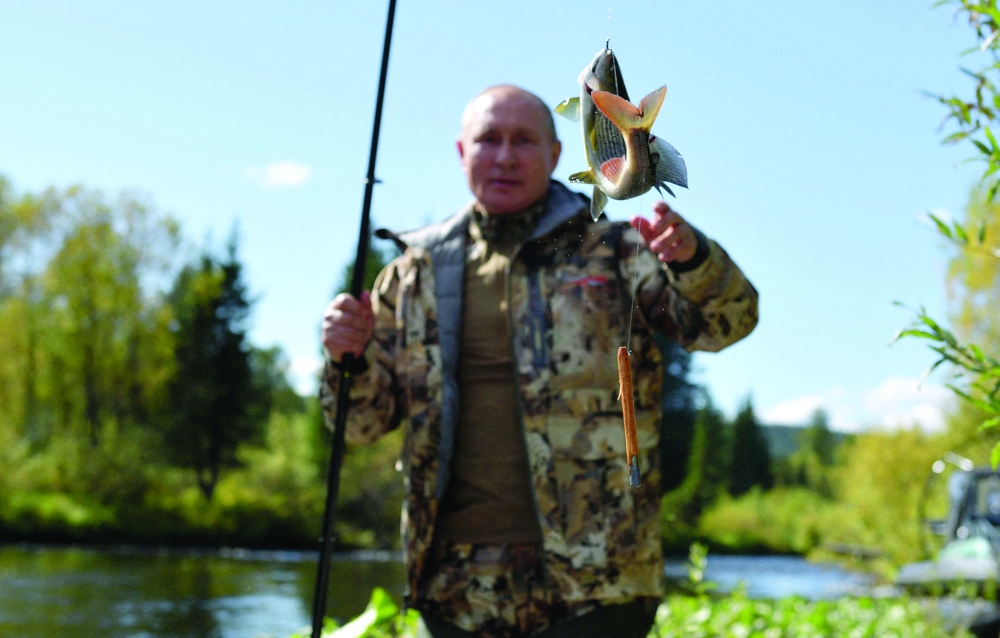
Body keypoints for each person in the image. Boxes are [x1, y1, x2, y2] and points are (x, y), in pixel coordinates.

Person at [320, 84, 758, 638]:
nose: (505, 156)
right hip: (453, 590)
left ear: (555, 155)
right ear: (462, 153)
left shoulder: (618, 250)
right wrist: (344, 360)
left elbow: (729, 322)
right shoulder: (411, 276)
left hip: (599, 585)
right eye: (489, 140)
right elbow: (357, 426)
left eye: (524, 140)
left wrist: (695, 260)